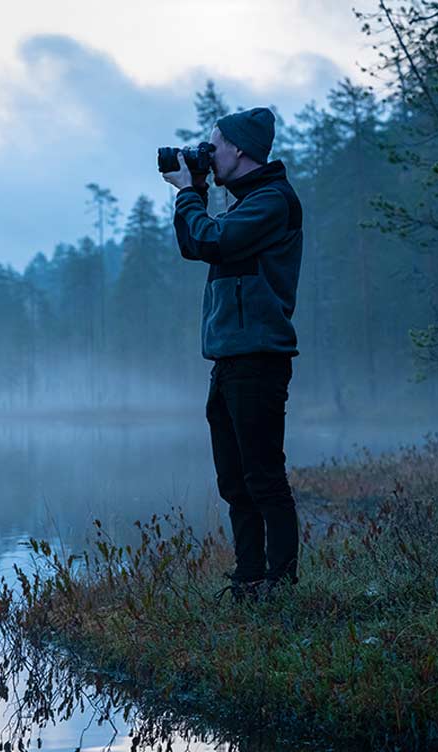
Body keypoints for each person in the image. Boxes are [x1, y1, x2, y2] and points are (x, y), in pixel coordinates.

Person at [160, 107, 303, 602]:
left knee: (264, 477)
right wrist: (194, 192)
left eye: (213, 144)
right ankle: (249, 578)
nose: (206, 152)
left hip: (259, 357)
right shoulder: (248, 203)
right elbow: (196, 244)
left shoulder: (273, 201)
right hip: (230, 358)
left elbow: (212, 240)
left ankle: (281, 585)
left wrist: (188, 192)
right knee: (235, 481)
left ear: (239, 149)